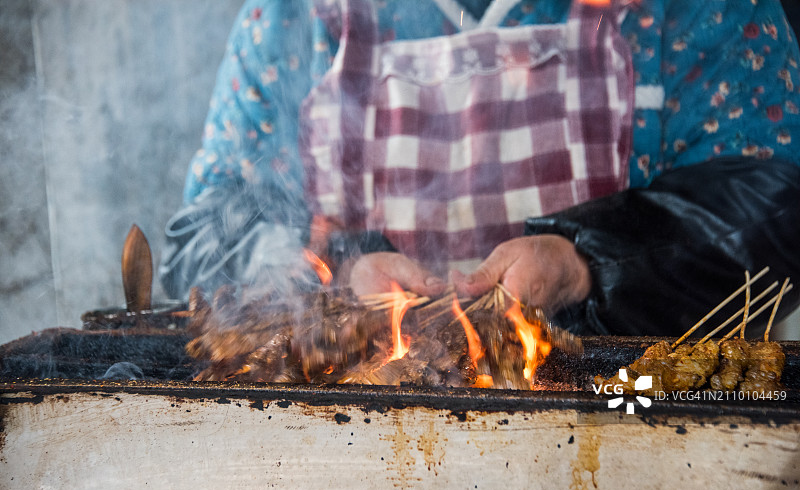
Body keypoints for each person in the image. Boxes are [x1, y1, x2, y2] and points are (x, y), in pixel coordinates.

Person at [160, 0, 800, 337]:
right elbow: (208, 242)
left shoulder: (690, 9)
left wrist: (585, 265)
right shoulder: (294, 17)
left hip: (637, 433)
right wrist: (341, 275)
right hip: (352, 458)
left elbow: (778, 208)